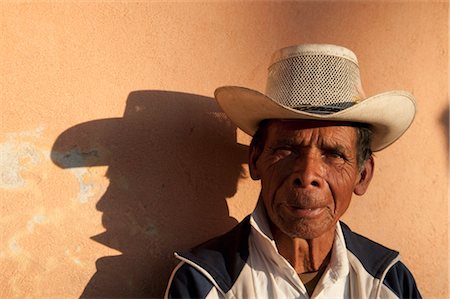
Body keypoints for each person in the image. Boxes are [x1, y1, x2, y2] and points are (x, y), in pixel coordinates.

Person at [165, 44, 422, 298]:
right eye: (287, 149)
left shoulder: (389, 283)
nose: (308, 174)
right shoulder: (203, 283)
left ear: (362, 174)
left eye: (333, 154)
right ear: (256, 159)